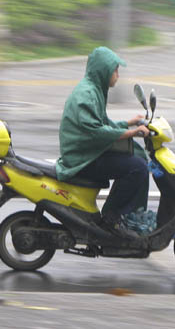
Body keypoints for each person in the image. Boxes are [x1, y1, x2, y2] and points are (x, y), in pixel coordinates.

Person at [56, 46, 150, 238]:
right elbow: (96, 131)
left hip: (88, 152)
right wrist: (131, 132)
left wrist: (128, 123)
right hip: (82, 159)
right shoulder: (87, 94)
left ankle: (128, 215)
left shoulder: (93, 90)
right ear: (103, 71)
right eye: (115, 70)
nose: (117, 75)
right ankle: (111, 218)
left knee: (137, 155)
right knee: (137, 167)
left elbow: (101, 123)